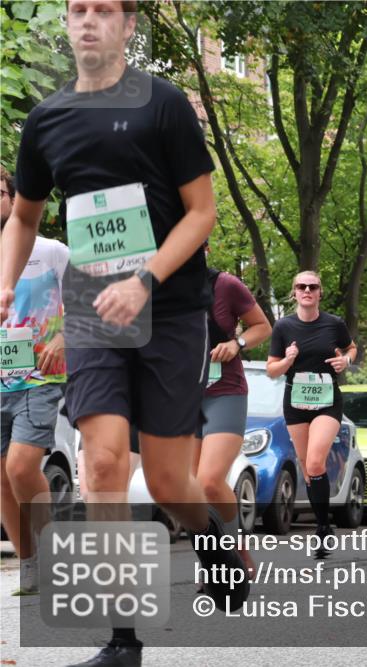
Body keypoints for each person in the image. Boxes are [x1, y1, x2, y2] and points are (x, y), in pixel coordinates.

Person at [1, 3, 249, 664]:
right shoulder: (46, 120)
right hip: (89, 306)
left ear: (128, 24)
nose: (87, 21)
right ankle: (121, 638)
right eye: (77, 9)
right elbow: (24, 217)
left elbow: (202, 213)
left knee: (171, 483)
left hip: (168, 306)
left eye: (103, 10)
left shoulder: (162, 104)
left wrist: (144, 277)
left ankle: (214, 532)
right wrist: (5, 279)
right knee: (104, 462)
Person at [0, 166, 69, 596]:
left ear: (12, 197)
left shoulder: (50, 252)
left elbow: (86, 299)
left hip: (40, 377)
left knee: (22, 466)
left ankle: (52, 556)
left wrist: (64, 335)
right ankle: (29, 564)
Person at [192, 248, 271, 573]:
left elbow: (262, 327)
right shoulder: (157, 287)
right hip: (181, 398)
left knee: (210, 480)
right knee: (189, 490)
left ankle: (237, 551)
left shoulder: (225, 285)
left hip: (225, 393)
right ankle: (211, 563)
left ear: (206, 249)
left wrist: (236, 344)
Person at [267, 271, 356, 558]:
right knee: (307, 468)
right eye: (301, 286)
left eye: (312, 286)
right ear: (294, 292)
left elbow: (351, 348)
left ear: (320, 292)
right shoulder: (283, 326)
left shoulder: (334, 324)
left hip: (327, 401)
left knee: (316, 461)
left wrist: (346, 360)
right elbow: (271, 370)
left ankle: (320, 529)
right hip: (295, 401)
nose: (307, 290)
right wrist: (288, 359)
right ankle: (323, 526)